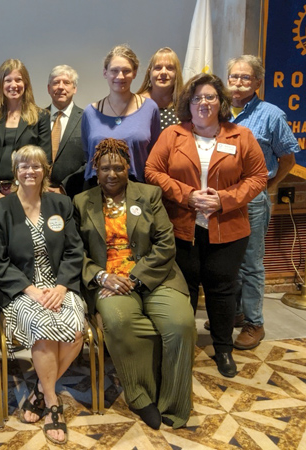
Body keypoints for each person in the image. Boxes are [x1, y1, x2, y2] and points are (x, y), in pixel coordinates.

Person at [145, 73, 267, 378]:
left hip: (228, 228)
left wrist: (223, 200)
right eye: (197, 97)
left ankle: (223, 348)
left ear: (221, 101)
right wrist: (187, 195)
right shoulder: (172, 135)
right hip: (180, 228)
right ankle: (181, 347)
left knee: (222, 290)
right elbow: (152, 171)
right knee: (182, 289)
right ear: (189, 103)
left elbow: (257, 177)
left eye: (210, 97)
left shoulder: (241, 136)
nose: (204, 103)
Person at [73, 138, 195, 430]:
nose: (112, 174)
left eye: (118, 167)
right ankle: (140, 395)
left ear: (128, 167)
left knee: (180, 323)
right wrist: (102, 276)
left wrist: (136, 277)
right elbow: (75, 251)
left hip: (155, 275)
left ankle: (174, 402)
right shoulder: (81, 201)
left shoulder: (149, 194)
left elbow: (165, 244)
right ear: (95, 169)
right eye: (105, 168)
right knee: (119, 321)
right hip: (109, 281)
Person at [0, 146, 84, 445]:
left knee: (75, 331)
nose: (30, 171)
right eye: (24, 166)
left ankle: (40, 391)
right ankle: (53, 403)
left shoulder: (61, 203)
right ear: (15, 172)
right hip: (21, 289)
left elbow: (74, 250)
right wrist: (31, 290)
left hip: (59, 285)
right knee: (44, 328)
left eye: (36, 166)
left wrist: (61, 287)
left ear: (45, 171)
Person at [226, 55, 300, 349]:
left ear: (257, 82)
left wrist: (268, 185)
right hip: (223, 199)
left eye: (245, 77)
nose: (238, 82)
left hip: (253, 199)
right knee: (228, 259)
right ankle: (235, 312)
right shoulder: (218, 110)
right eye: (234, 76)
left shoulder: (272, 115)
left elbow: (288, 159)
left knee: (250, 263)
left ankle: (254, 323)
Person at [82, 44, 161, 186]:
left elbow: (155, 155)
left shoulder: (150, 108)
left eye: (126, 71)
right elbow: (88, 154)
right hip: (96, 188)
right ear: (105, 73)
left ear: (134, 73)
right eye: (114, 70)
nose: (120, 76)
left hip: (138, 188)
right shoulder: (90, 112)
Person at [0, 59, 51, 203]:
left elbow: (45, 159)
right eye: (8, 80)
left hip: (29, 193)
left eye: (18, 80)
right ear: (1, 84)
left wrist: (24, 192)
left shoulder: (41, 117)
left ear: (26, 83)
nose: (14, 85)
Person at [46, 65, 86, 199]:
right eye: (56, 82)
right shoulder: (37, 118)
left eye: (66, 83)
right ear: (48, 88)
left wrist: (64, 187)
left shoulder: (86, 119)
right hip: (38, 194)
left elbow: (91, 160)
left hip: (73, 195)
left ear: (74, 89)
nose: (61, 87)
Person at [137, 47, 184, 130]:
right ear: (150, 73)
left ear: (177, 74)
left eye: (169, 68)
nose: (163, 72)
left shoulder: (185, 106)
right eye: (158, 68)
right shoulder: (136, 103)